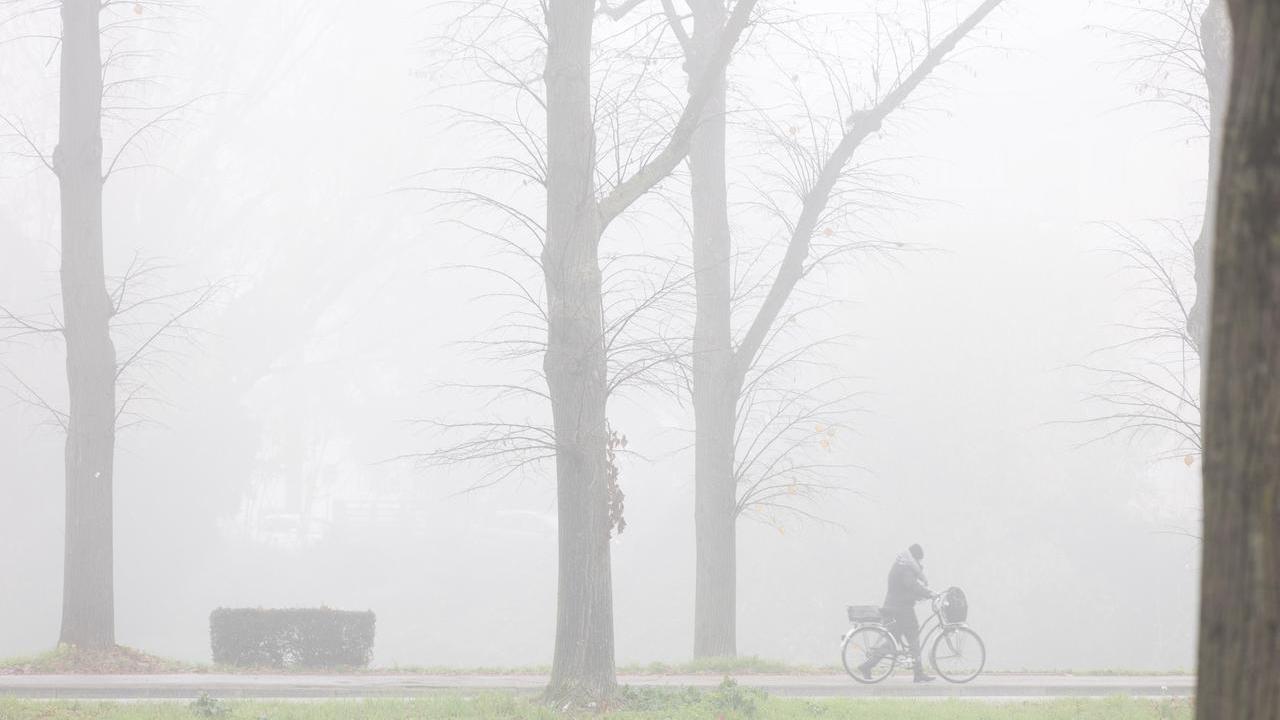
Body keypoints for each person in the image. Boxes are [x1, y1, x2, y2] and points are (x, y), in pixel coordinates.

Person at [861, 543, 937, 682]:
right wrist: (929, 593)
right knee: (913, 637)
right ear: (914, 557)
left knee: (893, 641)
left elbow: (905, 588)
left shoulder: (901, 564)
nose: (920, 562)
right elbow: (911, 585)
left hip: (895, 607)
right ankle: (918, 673)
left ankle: (867, 666)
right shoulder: (905, 568)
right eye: (919, 559)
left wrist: (919, 595)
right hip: (901, 610)